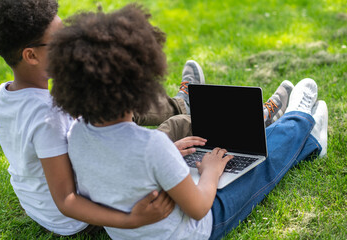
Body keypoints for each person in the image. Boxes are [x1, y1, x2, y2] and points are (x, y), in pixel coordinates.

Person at [48, 4, 328, 240]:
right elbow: (198, 209)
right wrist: (211, 172)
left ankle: (309, 137)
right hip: (199, 227)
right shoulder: (153, 146)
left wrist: (169, 156)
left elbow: (119, 173)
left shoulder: (76, 135)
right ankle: (300, 120)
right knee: (260, 167)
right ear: (141, 83)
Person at [0, 0, 204, 236]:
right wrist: (131, 219)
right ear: (31, 55)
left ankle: (183, 103)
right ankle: (208, 117)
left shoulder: (2, 93)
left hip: (36, 206)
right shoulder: (48, 118)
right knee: (163, 134)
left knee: (112, 99)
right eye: (60, 41)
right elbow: (67, 200)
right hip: (79, 217)